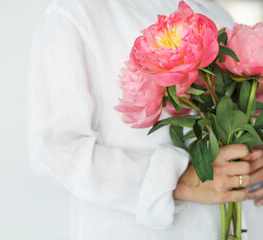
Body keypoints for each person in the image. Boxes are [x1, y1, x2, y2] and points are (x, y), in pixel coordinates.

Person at [26, 0, 263, 239]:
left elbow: (244, 115)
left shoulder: (215, 13)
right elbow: (55, 151)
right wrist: (180, 181)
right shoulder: (75, 14)